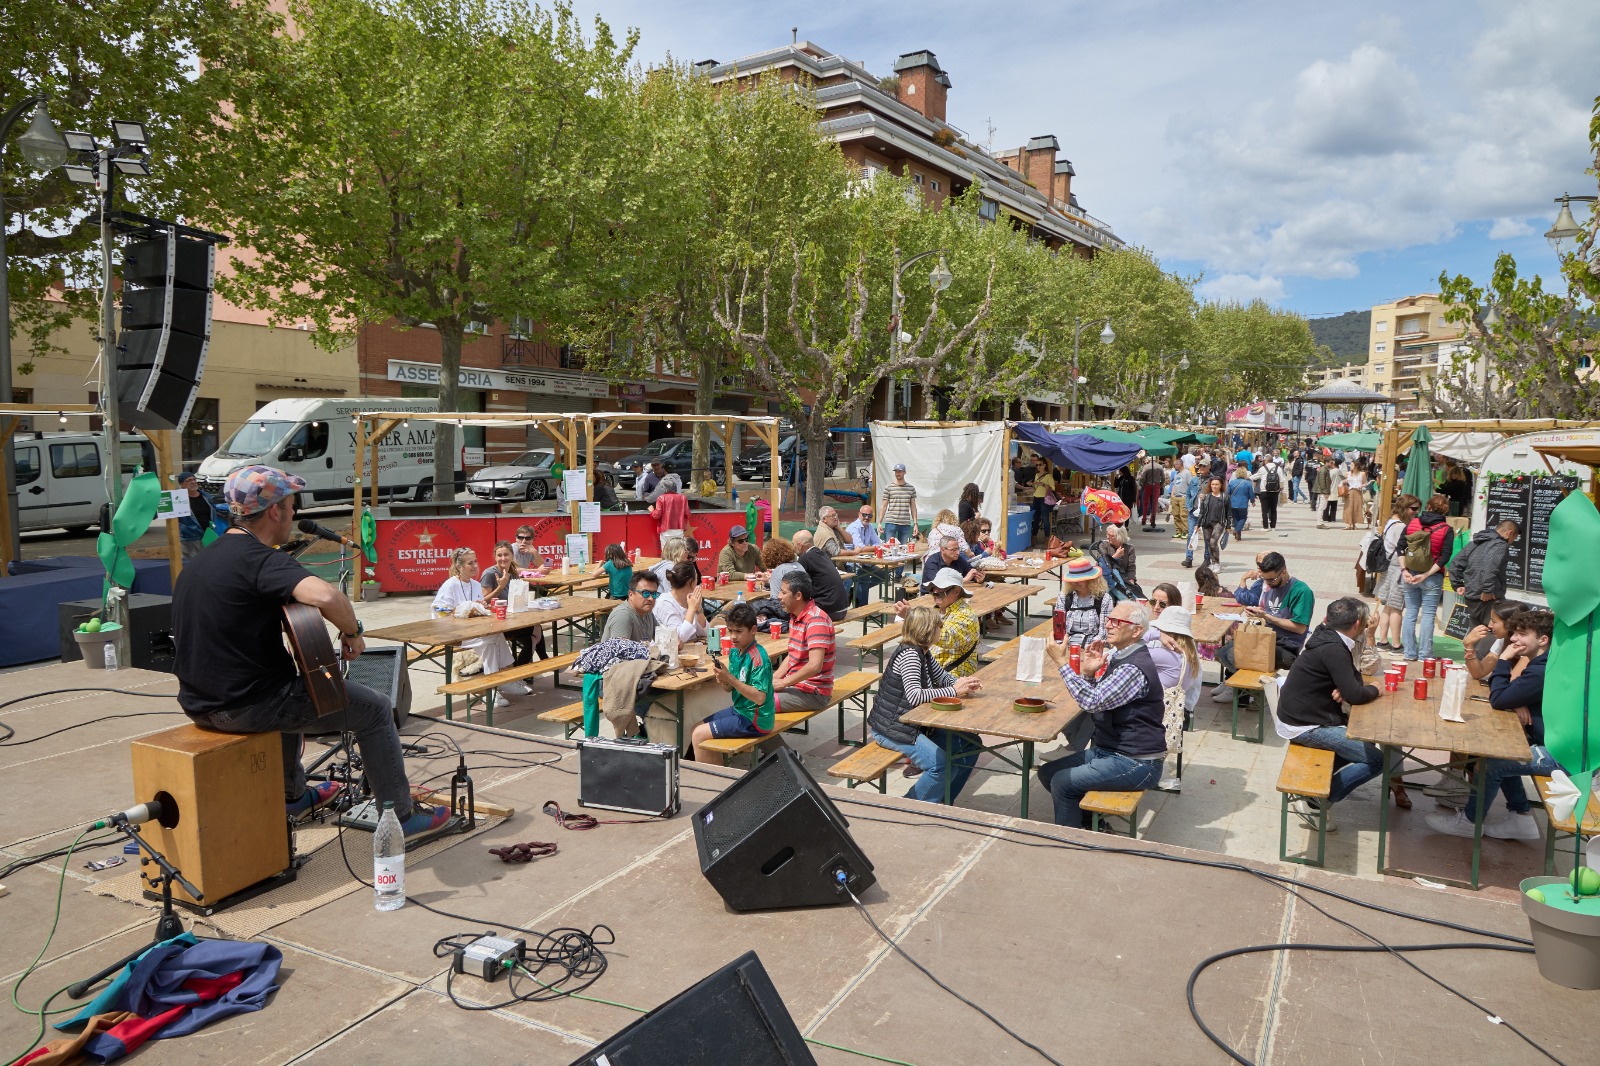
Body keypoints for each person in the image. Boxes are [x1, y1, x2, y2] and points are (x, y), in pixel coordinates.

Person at [172, 465, 450, 837]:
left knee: (287, 685)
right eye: (291, 505)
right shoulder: (260, 560)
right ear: (275, 511)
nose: (294, 514)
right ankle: (398, 817)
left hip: (199, 702)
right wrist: (353, 632)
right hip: (246, 706)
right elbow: (326, 595)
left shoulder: (204, 560)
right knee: (376, 709)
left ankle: (293, 796)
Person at [1426, 609, 1557, 841]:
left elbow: (1498, 700)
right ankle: (1521, 818)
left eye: (1522, 634)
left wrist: (1504, 660)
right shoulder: (1545, 662)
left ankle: (1469, 822)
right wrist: (1515, 699)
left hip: (1560, 755)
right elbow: (1505, 695)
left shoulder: (1541, 670)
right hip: (1549, 742)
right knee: (1501, 753)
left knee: (1492, 763)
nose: (1514, 639)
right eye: (1514, 633)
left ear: (1543, 640)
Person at [1038, 601, 1168, 828]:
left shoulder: (1133, 667)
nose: (1108, 625)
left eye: (1117, 622)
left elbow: (1092, 702)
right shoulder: (1121, 655)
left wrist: (1061, 661)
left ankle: (1070, 841)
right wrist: (1088, 673)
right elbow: (1099, 699)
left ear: (1136, 631)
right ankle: (1092, 824)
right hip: (1110, 752)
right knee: (1049, 773)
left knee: (1062, 782)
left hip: (1136, 762)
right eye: (1108, 619)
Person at [1272, 597, 1387, 830]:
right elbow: (1356, 693)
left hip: (1300, 715)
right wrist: (1375, 689)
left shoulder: (1325, 635)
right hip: (1304, 725)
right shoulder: (1335, 648)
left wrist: (1346, 686)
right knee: (1376, 760)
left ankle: (1314, 786)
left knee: (1363, 743)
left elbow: (1353, 679)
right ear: (1356, 624)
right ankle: (1316, 803)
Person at [867, 605, 984, 804]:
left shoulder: (923, 652)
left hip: (912, 725)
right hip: (893, 728)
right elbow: (915, 696)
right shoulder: (911, 655)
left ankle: (944, 802)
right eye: (939, 626)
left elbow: (943, 678)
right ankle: (909, 805)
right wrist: (955, 691)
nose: (941, 629)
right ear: (928, 630)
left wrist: (963, 683)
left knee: (971, 744)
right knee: (940, 765)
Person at [1211, 552, 1313, 702]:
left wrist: (1268, 617)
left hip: (1287, 646)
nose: (1268, 583)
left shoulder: (1301, 591)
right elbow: (1264, 610)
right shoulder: (1268, 585)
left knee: (1236, 654)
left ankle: (1245, 692)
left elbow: (1299, 628)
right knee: (1222, 652)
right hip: (1265, 637)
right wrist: (1257, 613)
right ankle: (1236, 685)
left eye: (1272, 579)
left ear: (1283, 571)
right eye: (1265, 579)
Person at [691, 603, 777, 765]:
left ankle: (712, 783)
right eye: (731, 631)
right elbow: (729, 688)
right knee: (695, 728)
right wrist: (723, 680)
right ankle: (717, 778)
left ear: (753, 630)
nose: (733, 637)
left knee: (699, 734)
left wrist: (729, 678)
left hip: (755, 720)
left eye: (738, 631)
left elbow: (759, 698)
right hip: (740, 710)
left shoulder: (759, 657)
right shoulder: (735, 652)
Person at [895, 567, 982, 678]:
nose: (935, 592)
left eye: (942, 590)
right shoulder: (936, 610)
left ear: (956, 591)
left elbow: (945, 638)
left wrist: (911, 617)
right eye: (933, 589)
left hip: (952, 677)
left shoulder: (966, 616)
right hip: (932, 673)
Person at [1400, 493, 1454, 662]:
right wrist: (1426, 575)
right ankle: (1425, 654)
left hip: (1409, 574)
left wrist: (1404, 571)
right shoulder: (1446, 529)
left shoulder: (1412, 523)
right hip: (1431, 577)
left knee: (1410, 613)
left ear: (1428, 507)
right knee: (1428, 615)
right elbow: (1445, 556)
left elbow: (1400, 547)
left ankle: (1409, 653)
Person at [772, 571, 835, 713]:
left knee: (756, 705)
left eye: (783, 592)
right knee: (750, 695)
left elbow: (815, 666)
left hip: (814, 693)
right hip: (797, 686)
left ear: (798, 595)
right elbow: (793, 655)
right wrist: (774, 678)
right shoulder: (796, 616)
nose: (779, 596)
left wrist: (783, 682)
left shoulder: (816, 620)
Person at [480, 541, 547, 664]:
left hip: (513, 619)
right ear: (494, 557)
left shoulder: (513, 572)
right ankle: (544, 661)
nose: (503, 558)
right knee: (535, 630)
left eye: (506, 555)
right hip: (496, 623)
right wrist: (501, 586)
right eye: (499, 555)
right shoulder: (489, 574)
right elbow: (483, 601)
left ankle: (520, 672)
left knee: (532, 637)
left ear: (512, 555)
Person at [1449, 518, 1520, 628]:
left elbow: (1455, 564)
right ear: (1509, 533)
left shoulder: (1474, 543)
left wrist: (1457, 584)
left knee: (1476, 631)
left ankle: (1470, 645)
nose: (1512, 542)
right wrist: (1487, 590)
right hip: (1489, 598)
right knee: (1493, 631)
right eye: (1514, 538)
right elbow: (1490, 567)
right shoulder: (1500, 545)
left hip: (1471, 595)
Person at [1371, 496, 1419, 652]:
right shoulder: (1400, 526)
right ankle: (1396, 644)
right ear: (1404, 507)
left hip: (1388, 567)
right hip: (1398, 567)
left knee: (1388, 606)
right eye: (1413, 508)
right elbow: (1402, 550)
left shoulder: (1391, 521)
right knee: (1397, 607)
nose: (1416, 512)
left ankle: (1383, 641)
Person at [792, 528, 852, 621]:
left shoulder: (805, 558)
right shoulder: (822, 554)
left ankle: (800, 633)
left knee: (792, 604)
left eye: (793, 544)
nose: (793, 547)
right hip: (842, 609)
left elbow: (794, 582)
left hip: (828, 610)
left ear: (800, 545)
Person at [1054, 555, 1113, 646]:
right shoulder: (1064, 597)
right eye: (1073, 579)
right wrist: (1061, 645)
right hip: (1067, 643)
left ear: (1091, 580)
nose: (1075, 582)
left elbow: (1104, 632)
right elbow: (1059, 628)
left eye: (1080, 579)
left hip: (1093, 645)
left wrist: (1089, 647)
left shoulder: (1104, 599)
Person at [1462, 599, 1523, 682]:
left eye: (1494, 621)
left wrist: (1503, 658)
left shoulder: (1527, 647)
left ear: (1510, 624)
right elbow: (1478, 673)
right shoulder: (1503, 640)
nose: (1489, 625)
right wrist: (1468, 645)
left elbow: (1512, 686)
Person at [655, 560, 709, 644]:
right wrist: (691, 609)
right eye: (697, 579)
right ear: (691, 582)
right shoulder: (665, 603)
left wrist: (698, 609)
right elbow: (679, 638)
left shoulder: (690, 599)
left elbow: (706, 633)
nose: (697, 583)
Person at [919, 535, 986, 592]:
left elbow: (970, 572)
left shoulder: (958, 559)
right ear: (942, 550)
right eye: (953, 550)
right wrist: (964, 580)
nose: (957, 552)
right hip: (930, 596)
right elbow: (939, 584)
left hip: (951, 594)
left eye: (958, 549)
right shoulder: (932, 562)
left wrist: (978, 578)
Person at [174, 471, 215, 559]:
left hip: (208, 535)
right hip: (190, 538)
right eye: (188, 480)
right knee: (191, 564)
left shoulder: (207, 497)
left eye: (194, 479)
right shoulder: (179, 500)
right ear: (182, 484)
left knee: (208, 561)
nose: (192, 482)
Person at [1190, 477, 1227, 569]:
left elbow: (1228, 512)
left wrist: (1229, 525)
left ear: (1221, 485)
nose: (1214, 486)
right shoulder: (1206, 497)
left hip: (1219, 522)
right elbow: (1201, 512)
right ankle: (1212, 562)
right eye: (1213, 484)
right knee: (1209, 543)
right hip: (1207, 523)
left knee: (1213, 542)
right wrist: (1197, 524)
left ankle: (1217, 563)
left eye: (1217, 484)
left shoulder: (1225, 497)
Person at [1180, 461, 1212, 567]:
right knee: (1191, 535)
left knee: (1207, 536)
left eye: (1204, 466)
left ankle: (1207, 558)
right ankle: (1188, 558)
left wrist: (1206, 497)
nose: (1202, 468)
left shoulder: (1213, 480)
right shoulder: (1194, 479)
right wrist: (1189, 506)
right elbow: (1188, 493)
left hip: (1207, 512)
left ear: (1209, 467)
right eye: (1200, 466)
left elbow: (1217, 494)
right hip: (1193, 512)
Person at [881, 463, 919, 544]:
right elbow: (884, 506)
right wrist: (879, 522)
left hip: (905, 522)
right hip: (891, 521)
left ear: (904, 472)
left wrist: (915, 523)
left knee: (904, 549)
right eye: (896, 471)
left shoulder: (911, 488)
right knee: (888, 548)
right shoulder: (888, 488)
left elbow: (913, 507)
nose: (898, 473)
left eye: (900, 471)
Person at [649, 471, 689, 542]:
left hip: (666, 530)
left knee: (666, 551)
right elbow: (687, 513)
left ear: (665, 489)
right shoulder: (683, 498)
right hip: (679, 530)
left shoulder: (661, 498)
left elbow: (657, 515)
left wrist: (652, 510)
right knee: (678, 552)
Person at [1029, 456, 1057, 546]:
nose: (1038, 466)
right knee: (1036, 519)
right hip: (1036, 497)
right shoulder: (1036, 475)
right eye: (1037, 465)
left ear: (1044, 465)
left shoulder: (1049, 476)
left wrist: (1043, 484)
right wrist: (1033, 484)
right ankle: (1033, 537)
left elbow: (1053, 488)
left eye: (1040, 464)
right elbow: (1036, 488)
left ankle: (1047, 539)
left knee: (1045, 519)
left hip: (1044, 499)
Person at [1226, 464, 1256, 544]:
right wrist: (1253, 501)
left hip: (1233, 503)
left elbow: (1227, 493)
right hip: (1243, 504)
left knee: (1236, 518)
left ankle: (1238, 535)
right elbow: (1251, 494)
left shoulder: (1232, 482)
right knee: (1243, 518)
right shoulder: (1248, 483)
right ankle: (1237, 530)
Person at [1137, 455, 1164, 532]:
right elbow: (1163, 478)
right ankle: (1153, 519)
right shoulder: (1160, 467)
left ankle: (1144, 519)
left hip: (1148, 485)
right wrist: (1160, 485)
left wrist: (1143, 484)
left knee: (1146, 503)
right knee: (1155, 503)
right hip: (1156, 485)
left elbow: (1143, 478)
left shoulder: (1146, 467)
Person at [1254, 460, 1282, 531]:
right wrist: (1281, 488)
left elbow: (1255, 477)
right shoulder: (1278, 468)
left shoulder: (1263, 468)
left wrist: (1248, 476)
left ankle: (1265, 527)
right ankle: (1273, 527)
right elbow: (1281, 480)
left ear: (1266, 461)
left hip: (1264, 491)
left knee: (1264, 510)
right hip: (1275, 491)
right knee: (1273, 509)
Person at [1169, 460, 1192, 542]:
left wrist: (1189, 497)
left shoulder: (1187, 473)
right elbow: (1174, 485)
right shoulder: (1176, 474)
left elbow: (1190, 484)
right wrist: (1172, 495)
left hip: (1183, 496)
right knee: (1176, 515)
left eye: (1175, 464)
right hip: (1175, 497)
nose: (1174, 466)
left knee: (1184, 515)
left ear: (1180, 464)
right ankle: (1178, 531)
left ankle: (1185, 531)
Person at [1342, 459, 1367, 530]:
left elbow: (1365, 483)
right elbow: (1343, 482)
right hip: (1349, 492)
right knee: (1348, 508)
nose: (1350, 466)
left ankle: (1354, 524)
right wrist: (1344, 481)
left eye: (1352, 465)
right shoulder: (1348, 473)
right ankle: (1349, 524)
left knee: (1356, 508)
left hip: (1358, 492)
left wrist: (1362, 486)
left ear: (1356, 466)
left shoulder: (1362, 474)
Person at [1311, 459, 1335, 526]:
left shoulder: (1325, 469)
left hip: (1323, 491)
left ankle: (1320, 522)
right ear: (1327, 462)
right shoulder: (1323, 470)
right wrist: (1325, 492)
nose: (1332, 464)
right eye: (1331, 463)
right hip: (1322, 491)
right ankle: (1320, 522)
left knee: (1322, 506)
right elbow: (1322, 482)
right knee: (1321, 507)